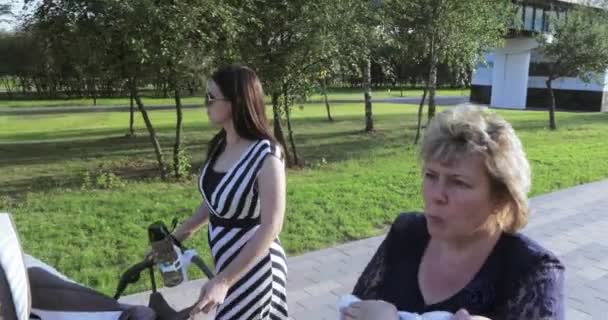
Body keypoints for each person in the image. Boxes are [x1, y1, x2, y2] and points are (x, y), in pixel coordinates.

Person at [340, 106, 565, 320]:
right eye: (430, 175)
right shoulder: (406, 233)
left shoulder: (534, 273)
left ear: (501, 198)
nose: (436, 195)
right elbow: (355, 309)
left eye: (458, 182)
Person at [169, 65, 288, 320]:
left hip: (255, 270)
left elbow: (272, 226)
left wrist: (223, 281)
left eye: (211, 97)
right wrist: (175, 238)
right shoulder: (220, 144)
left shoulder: (266, 155)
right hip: (228, 267)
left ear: (236, 102)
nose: (206, 103)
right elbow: (214, 203)